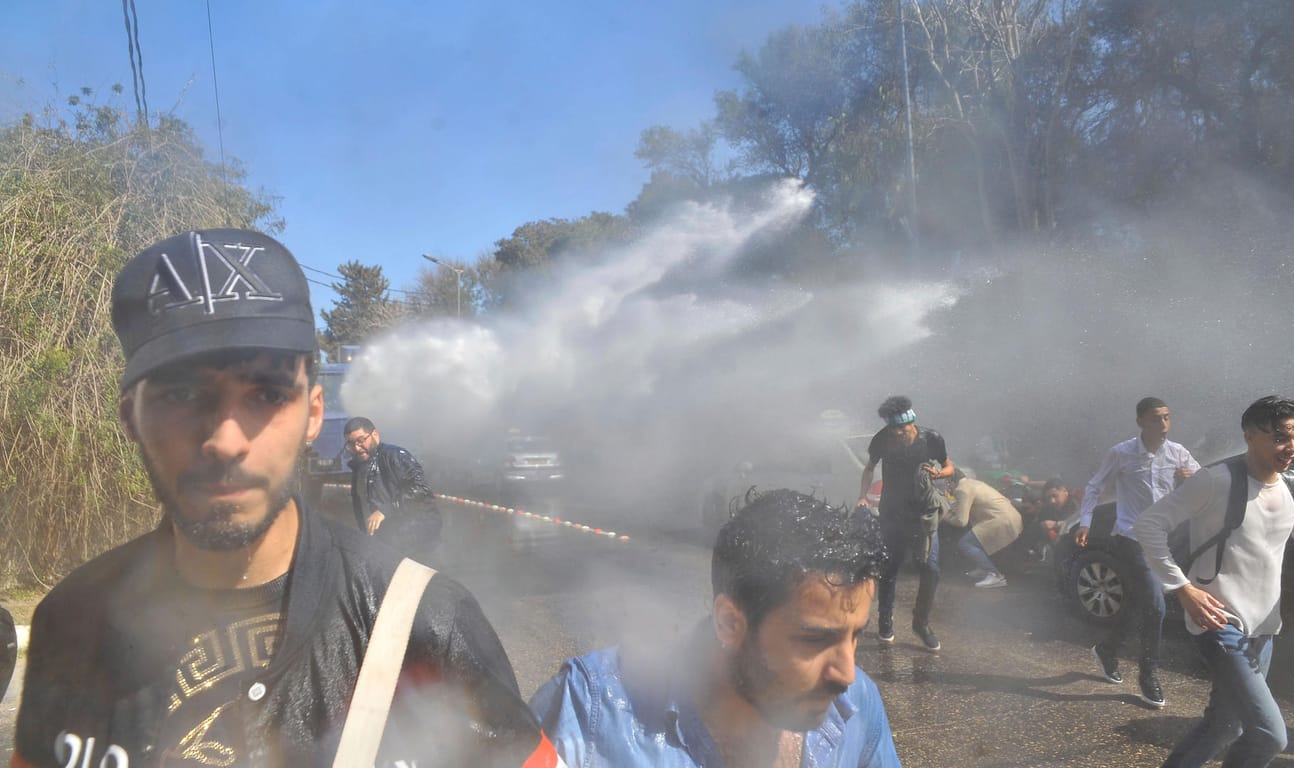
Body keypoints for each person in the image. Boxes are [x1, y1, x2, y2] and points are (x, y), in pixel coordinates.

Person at [11, 229, 558, 767]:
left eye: (267, 394)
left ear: (313, 414)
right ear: (130, 416)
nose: (225, 441)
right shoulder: (72, 621)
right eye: (180, 393)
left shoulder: (426, 626)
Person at [530, 489, 901, 767]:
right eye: (815, 639)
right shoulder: (590, 707)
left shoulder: (857, 705)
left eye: (856, 635)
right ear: (729, 623)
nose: (846, 674)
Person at [1134, 395, 1294, 768]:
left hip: (1264, 627)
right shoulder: (1216, 480)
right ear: (1249, 437)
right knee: (1270, 734)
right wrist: (1182, 588)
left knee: (1224, 726)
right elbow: (1149, 525)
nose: (1290, 447)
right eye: (1278, 437)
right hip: (1220, 622)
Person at [1075, 396, 1200, 708]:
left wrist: (1192, 479)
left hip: (1162, 540)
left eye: (1168, 418)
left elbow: (1205, 484)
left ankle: (1107, 650)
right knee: (1156, 607)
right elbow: (1094, 486)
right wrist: (1085, 522)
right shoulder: (1122, 453)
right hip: (1131, 537)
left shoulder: (1178, 453)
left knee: (1137, 605)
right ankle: (1148, 676)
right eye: (1157, 418)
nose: (1164, 425)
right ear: (1141, 422)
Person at [858, 395, 954, 651]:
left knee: (931, 569)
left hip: (923, 514)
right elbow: (869, 468)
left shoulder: (931, 438)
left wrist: (938, 473)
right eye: (894, 429)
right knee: (890, 568)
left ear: (912, 422)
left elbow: (949, 467)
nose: (898, 434)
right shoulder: (881, 439)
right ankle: (885, 621)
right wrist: (863, 497)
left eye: (902, 428)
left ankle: (920, 624)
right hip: (892, 512)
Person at [344, 415, 443, 561]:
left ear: (375, 434)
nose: (356, 448)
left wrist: (386, 509)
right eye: (350, 444)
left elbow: (420, 490)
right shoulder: (359, 467)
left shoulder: (395, 456)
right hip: (387, 545)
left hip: (417, 544)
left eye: (360, 440)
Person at [943, 472, 1023, 588]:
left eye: (947, 483)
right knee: (977, 540)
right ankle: (983, 568)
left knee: (966, 543)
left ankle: (995, 575)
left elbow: (961, 521)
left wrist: (945, 515)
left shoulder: (962, 490)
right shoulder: (971, 483)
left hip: (1001, 520)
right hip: (1009, 517)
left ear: (952, 481)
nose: (946, 487)